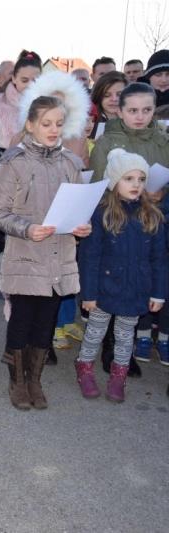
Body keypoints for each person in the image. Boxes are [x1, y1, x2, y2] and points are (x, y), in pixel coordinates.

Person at [0, 96, 91, 410]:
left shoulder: (71, 162)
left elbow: (77, 208)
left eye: (59, 124)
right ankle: (17, 379)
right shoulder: (14, 161)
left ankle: (35, 378)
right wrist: (27, 228)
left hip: (60, 258)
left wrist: (81, 226)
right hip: (26, 256)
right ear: (30, 124)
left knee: (46, 323)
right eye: (46, 123)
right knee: (22, 320)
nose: (53, 129)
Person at [89, 82, 169, 376]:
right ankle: (110, 348)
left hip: (154, 220)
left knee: (141, 283)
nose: (140, 116)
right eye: (132, 110)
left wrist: (162, 194)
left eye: (147, 110)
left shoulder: (162, 141)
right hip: (118, 221)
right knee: (113, 284)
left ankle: (129, 346)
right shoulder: (108, 142)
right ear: (120, 111)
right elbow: (98, 185)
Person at [76, 149, 166, 402]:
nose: (136, 184)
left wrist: (158, 292)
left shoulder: (152, 216)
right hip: (104, 288)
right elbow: (90, 257)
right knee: (95, 332)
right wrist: (89, 294)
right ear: (114, 182)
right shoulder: (101, 213)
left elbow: (159, 259)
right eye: (128, 178)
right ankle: (84, 368)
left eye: (140, 179)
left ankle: (119, 375)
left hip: (136, 289)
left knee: (126, 337)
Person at [0, 50, 42, 158]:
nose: (30, 85)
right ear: (14, 78)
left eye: (35, 80)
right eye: (24, 80)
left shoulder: (49, 104)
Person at [89, 71, 127, 138]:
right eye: (107, 95)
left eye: (119, 94)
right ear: (99, 96)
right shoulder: (88, 122)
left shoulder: (138, 121)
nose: (114, 99)